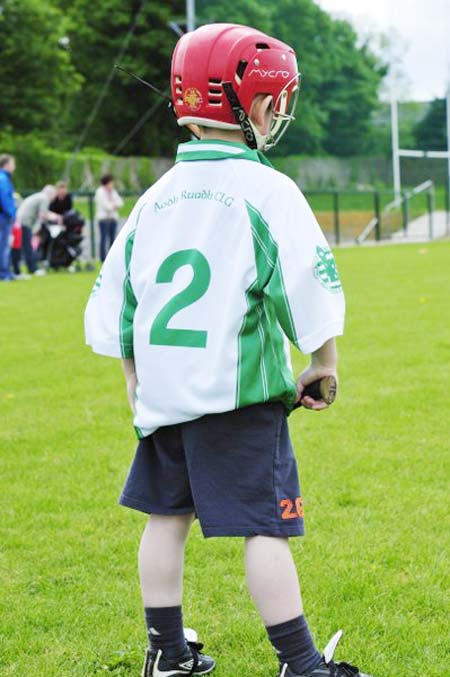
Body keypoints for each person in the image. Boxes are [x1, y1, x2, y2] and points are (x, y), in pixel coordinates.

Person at [85, 23, 371, 677]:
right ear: (262, 105)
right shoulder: (267, 190)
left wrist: (138, 385)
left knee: (165, 518)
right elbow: (308, 285)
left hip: (163, 394)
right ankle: (301, 665)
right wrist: (323, 363)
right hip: (238, 397)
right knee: (265, 526)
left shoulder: (151, 200)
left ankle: (166, 653)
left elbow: (117, 308)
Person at [17, 185, 61, 276]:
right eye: (54, 197)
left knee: (23, 246)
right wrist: (56, 218)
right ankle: (33, 269)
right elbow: (43, 214)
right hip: (25, 222)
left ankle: (21, 268)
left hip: (20, 221)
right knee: (28, 246)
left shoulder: (38, 196)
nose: (53, 200)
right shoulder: (44, 198)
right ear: (51, 194)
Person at [94, 174, 123, 262]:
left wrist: (114, 205)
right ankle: (103, 258)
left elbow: (120, 203)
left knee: (112, 238)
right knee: (104, 238)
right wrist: (114, 205)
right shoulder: (100, 192)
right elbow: (106, 206)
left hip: (113, 218)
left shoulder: (113, 192)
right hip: (104, 219)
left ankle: (112, 258)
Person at [0, 154, 17, 281]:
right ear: (6, 164)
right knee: (4, 245)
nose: (14, 167)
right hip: (4, 217)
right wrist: (11, 213)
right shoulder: (3, 179)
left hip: (4, 216)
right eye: (13, 164)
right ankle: (4, 272)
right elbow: (5, 198)